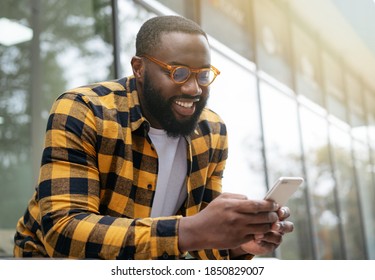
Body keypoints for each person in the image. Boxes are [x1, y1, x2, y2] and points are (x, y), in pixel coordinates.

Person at [14, 15, 293, 260]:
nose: (194, 88)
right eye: (178, 73)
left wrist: (239, 244)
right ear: (139, 68)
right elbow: (64, 231)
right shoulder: (84, 110)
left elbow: (201, 242)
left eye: (203, 74)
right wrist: (188, 230)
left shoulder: (211, 131)